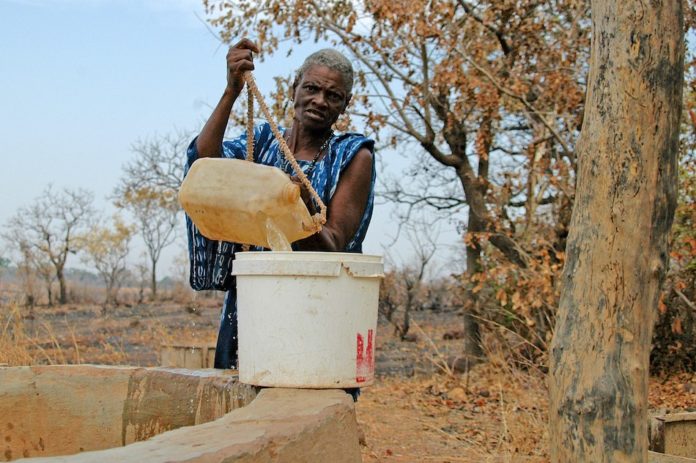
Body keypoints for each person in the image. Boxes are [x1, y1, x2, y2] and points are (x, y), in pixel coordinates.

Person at [184, 39, 376, 372]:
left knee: (303, 407)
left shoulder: (354, 156)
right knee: (240, 405)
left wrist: (297, 210)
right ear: (294, 88)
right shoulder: (261, 142)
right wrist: (232, 90)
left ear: (346, 105)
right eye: (312, 88)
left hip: (314, 309)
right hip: (251, 300)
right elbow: (205, 164)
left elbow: (334, 245)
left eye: (333, 96)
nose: (319, 101)